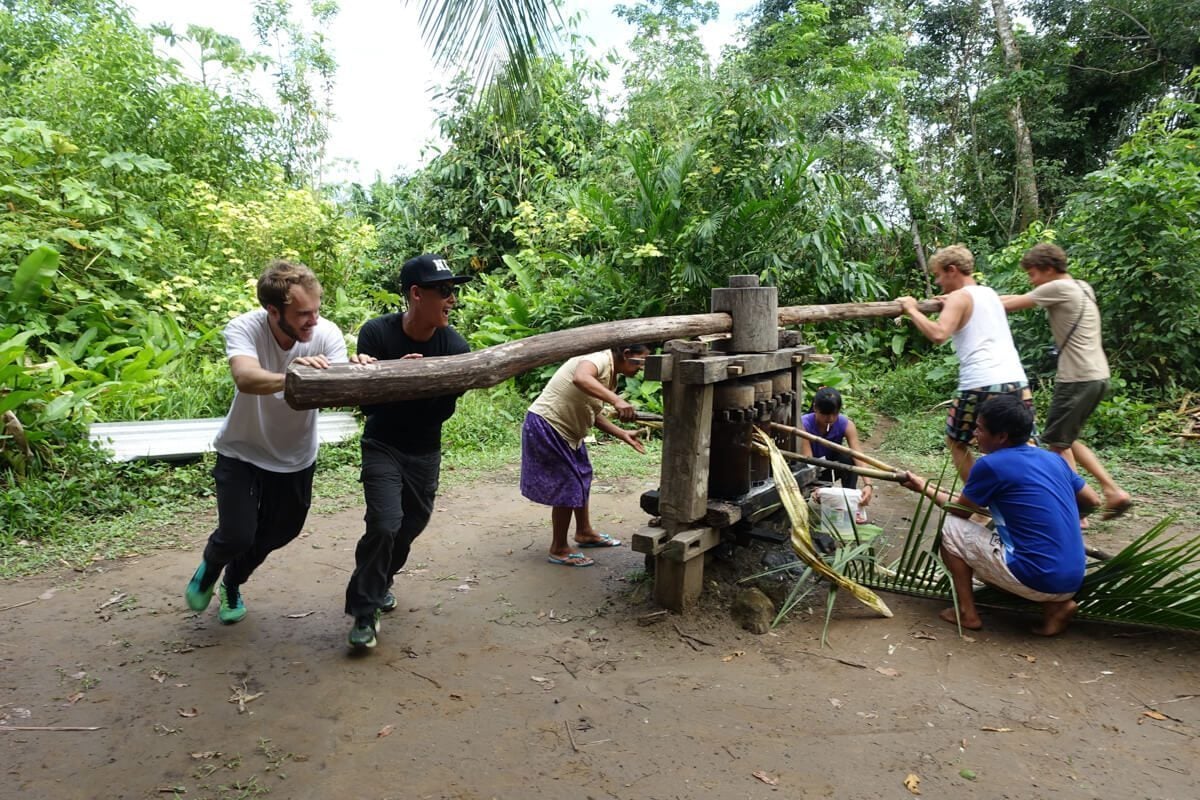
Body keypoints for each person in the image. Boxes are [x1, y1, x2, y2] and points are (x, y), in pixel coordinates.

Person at [185, 260, 372, 624]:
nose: (313, 320)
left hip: (295, 457)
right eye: (303, 313)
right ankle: (212, 566)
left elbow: (338, 386)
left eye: (316, 310)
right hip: (242, 450)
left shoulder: (325, 332)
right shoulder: (245, 328)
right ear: (273, 311)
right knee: (238, 533)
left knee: (284, 530)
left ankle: (232, 581)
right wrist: (296, 375)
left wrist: (358, 368)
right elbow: (246, 377)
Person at [345, 254, 472, 650]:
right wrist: (393, 374)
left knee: (410, 526)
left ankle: (380, 580)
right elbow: (366, 404)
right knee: (384, 523)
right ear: (417, 294)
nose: (452, 300)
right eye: (445, 291)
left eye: (454, 291)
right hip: (382, 445)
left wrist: (421, 381)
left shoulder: (454, 345)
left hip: (425, 452)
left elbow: (445, 409)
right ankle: (364, 611)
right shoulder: (376, 335)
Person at [901, 395, 1101, 636]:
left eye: (980, 429)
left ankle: (967, 612)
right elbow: (1092, 500)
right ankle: (1056, 606)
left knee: (952, 527)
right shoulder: (1053, 459)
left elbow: (959, 510)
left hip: (1036, 578)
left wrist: (923, 487)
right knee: (1007, 538)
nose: (975, 435)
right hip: (1072, 579)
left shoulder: (992, 465)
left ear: (1002, 436)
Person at [999, 243, 1132, 521]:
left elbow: (1010, 305)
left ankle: (1077, 505)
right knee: (1067, 440)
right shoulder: (1081, 286)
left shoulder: (1056, 288)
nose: (1032, 279)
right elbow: (1021, 295)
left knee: (1057, 445)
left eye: (1033, 273)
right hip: (1098, 375)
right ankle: (1111, 491)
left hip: (1076, 378)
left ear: (1048, 269)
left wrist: (965, 300)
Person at [896, 244, 1031, 480]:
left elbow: (939, 334)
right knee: (1023, 442)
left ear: (952, 270)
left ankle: (976, 501)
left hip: (981, 382)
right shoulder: (987, 293)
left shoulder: (960, 297)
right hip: (1016, 381)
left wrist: (911, 309)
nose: (938, 282)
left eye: (938, 275)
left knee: (956, 440)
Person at [521, 345, 650, 567]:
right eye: (642, 361)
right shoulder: (598, 359)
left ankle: (584, 532)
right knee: (568, 484)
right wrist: (616, 400)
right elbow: (581, 378)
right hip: (548, 424)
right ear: (627, 354)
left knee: (582, 476)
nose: (643, 368)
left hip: (568, 431)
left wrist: (622, 434)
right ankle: (559, 548)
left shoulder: (610, 374)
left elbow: (593, 412)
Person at [800, 387, 874, 523]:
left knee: (849, 458)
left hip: (830, 467)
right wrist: (815, 486)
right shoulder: (803, 424)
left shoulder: (846, 424)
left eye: (835, 414)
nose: (830, 418)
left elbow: (858, 455)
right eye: (825, 414)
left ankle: (849, 500)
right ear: (815, 408)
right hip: (808, 470)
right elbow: (807, 460)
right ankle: (816, 493)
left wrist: (868, 484)